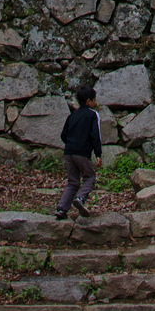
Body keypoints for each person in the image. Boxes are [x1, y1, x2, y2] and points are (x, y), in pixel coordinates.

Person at [55, 82, 102, 219]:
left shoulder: (72, 116)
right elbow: (95, 135)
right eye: (94, 100)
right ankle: (80, 198)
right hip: (82, 153)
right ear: (89, 101)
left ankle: (61, 209)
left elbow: (63, 135)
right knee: (90, 177)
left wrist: (71, 144)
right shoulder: (93, 115)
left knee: (73, 182)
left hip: (69, 153)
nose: (95, 102)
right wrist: (98, 154)